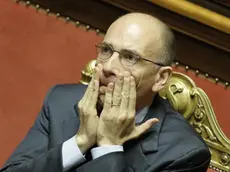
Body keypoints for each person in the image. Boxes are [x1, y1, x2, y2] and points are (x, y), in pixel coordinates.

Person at [1, 12, 211, 172]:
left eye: (130, 57)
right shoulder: (60, 101)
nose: (108, 66)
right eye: (106, 50)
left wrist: (109, 146)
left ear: (161, 78)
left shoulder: (184, 153)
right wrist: (79, 142)